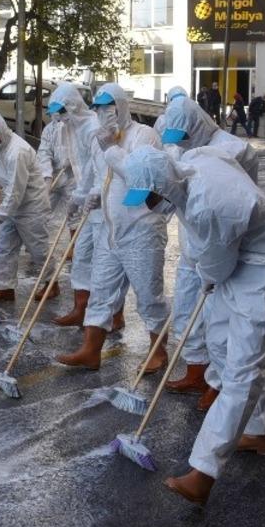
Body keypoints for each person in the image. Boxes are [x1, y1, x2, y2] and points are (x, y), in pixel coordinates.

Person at [122, 146, 265, 506]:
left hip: (263, 268)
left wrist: (206, 274)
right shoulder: (190, 166)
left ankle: (203, 471)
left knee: (243, 369)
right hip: (236, 254)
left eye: (150, 198)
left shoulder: (209, 207)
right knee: (220, 346)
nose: (149, 206)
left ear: (163, 185)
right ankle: (258, 432)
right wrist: (209, 270)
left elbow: (216, 265)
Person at [56, 82, 170, 374]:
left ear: (120, 107)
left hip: (141, 230)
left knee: (148, 295)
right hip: (110, 229)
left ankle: (158, 352)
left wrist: (111, 150)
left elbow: (140, 177)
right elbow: (98, 176)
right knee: (101, 289)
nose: (103, 113)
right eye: (98, 108)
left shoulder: (144, 136)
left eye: (108, 107)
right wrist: (89, 195)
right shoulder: (100, 139)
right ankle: (90, 350)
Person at [158, 96, 260, 403]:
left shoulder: (235, 149)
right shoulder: (180, 146)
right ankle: (196, 370)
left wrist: (218, 260)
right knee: (186, 311)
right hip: (192, 246)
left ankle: (218, 382)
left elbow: (233, 205)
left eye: (183, 135)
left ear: (197, 123)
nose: (180, 142)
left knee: (220, 321)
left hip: (224, 248)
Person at [0, 111, 51, 303]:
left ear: (0, 134)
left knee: (38, 249)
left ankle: (51, 283)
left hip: (31, 205)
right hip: (11, 206)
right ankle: (5, 288)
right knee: (4, 246)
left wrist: (1, 213)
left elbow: (16, 189)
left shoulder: (18, 152)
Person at [46, 82, 103, 328]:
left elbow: (96, 168)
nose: (59, 117)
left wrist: (83, 195)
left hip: (102, 200)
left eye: (62, 112)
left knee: (106, 260)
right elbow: (78, 164)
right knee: (81, 254)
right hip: (85, 196)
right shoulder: (68, 127)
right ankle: (80, 308)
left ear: (73, 106)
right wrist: (78, 196)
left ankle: (115, 314)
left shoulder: (93, 127)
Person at [35, 106, 79, 251]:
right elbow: (44, 153)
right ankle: (37, 246)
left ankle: (74, 248)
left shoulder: (75, 128)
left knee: (74, 213)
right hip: (54, 175)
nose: (55, 118)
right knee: (41, 209)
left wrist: (74, 160)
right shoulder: (49, 130)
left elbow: (83, 149)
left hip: (72, 177)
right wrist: (47, 177)